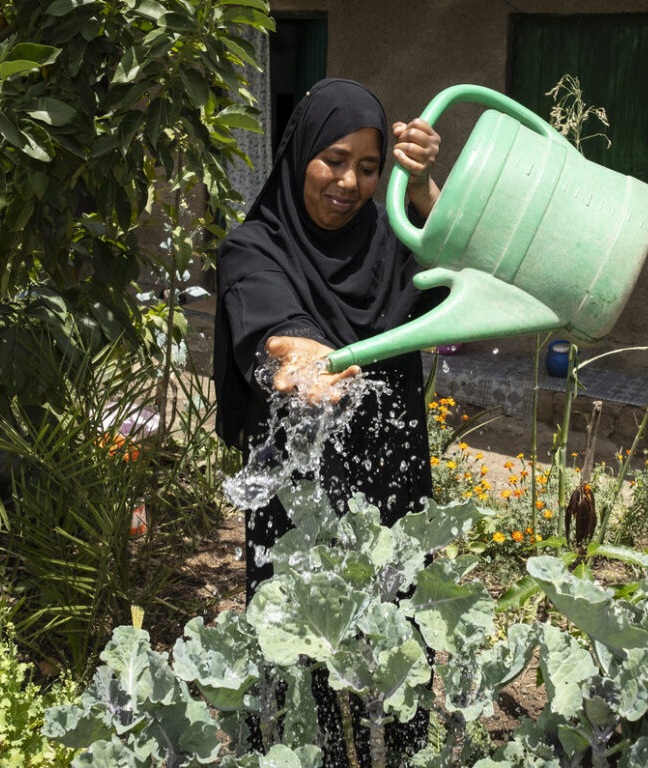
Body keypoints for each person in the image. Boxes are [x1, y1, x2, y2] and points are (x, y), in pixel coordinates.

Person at [213, 78, 441, 764]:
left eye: (368, 168)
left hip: (392, 471)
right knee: (297, 629)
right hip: (300, 482)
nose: (349, 182)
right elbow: (266, 313)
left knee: (397, 631)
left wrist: (423, 185)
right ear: (300, 154)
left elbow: (461, 255)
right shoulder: (258, 244)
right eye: (333, 159)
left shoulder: (391, 235)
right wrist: (296, 352)